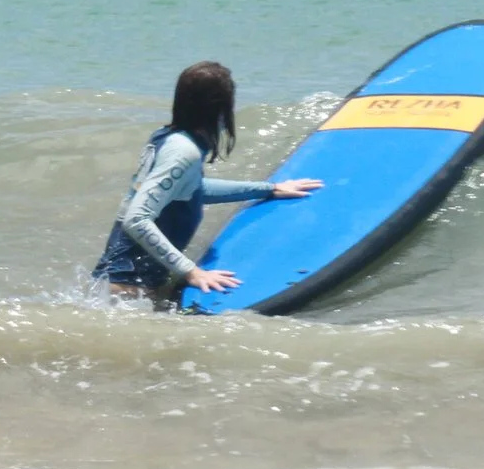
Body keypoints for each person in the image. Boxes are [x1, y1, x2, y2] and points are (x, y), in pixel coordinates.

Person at [92, 61, 321, 306]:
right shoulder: (183, 152)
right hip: (126, 293)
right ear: (218, 109)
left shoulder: (168, 138)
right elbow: (136, 219)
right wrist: (190, 271)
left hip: (120, 289)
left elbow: (193, 191)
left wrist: (269, 189)